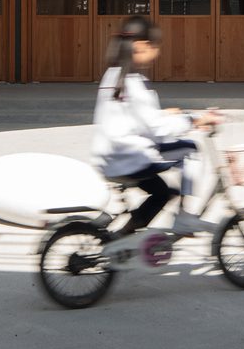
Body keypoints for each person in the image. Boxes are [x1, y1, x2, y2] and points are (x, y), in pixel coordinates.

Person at [93, 15, 220, 238]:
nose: (157, 53)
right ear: (141, 46)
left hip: (110, 154)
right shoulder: (133, 81)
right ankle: (185, 217)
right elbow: (158, 130)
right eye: (155, 47)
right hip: (131, 156)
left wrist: (168, 114)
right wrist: (194, 120)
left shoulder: (113, 75)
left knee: (163, 193)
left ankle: (121, 238)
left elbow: (137, 118)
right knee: (191, 150)